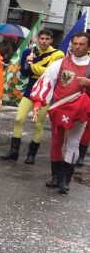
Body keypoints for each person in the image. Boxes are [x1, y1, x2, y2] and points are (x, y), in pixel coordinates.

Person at [29, 31, 90, 194]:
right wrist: (38, 102)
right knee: (56, 142)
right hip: (59, 109)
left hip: (80, 112)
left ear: (88, 46)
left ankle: (65, 179)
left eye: (81, 44)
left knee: (73, 143)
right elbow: (46, 82)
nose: (77, 47)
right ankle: (56, 176)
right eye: (75, 43)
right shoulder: (60, 63)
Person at [0, 29, 64, 163]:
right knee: (19, 119)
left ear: (51, 40)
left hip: (46, 92)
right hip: (30, 89)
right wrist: (28, 65)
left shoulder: (58, 54)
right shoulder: (28, 52)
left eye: (47, 39)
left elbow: (50, 73)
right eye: (42, 38)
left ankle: (31, 155)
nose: (44, 41)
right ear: (37, 39)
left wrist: (32, 65)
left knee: (38, 124)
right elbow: (24, 72)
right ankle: (14, 151)